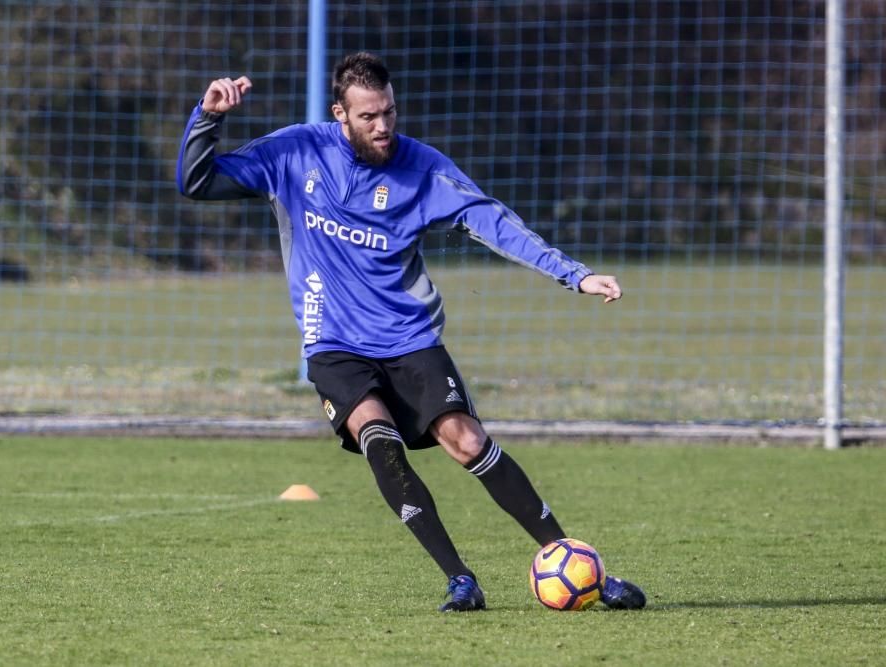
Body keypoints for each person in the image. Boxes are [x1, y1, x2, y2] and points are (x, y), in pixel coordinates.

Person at [177, 52, 646, 612]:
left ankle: (577, 565)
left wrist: (577, 275)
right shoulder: (294, 152)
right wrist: (208, 118)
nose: (383, 127)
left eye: (389, 113)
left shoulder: (422, 170)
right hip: (333, 342)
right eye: (369, 116)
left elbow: (494, 222)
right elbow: (196, 181)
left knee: (467, 441)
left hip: (408, 336)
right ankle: (460, 580)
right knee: (381, 440)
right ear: (340, 114)